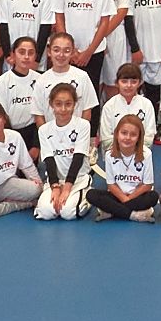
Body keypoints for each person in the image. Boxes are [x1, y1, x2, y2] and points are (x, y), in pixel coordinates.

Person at [35, 81, 93, 221]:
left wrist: (67, 189)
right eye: (58, 104)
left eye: (68, 104)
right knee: (46, 213)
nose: (63, 109)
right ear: (51, 105)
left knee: (68, 213)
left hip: (77, 179)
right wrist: (55, 187)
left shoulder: (83, 125)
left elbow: (78, 158)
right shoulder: (44, 130)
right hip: (56, 180)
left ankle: (87, 192)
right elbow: (49, 160)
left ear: (75, 104)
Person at [87, 114, 159, 222]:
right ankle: (134, 215)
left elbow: (147, 185)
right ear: (117, 134)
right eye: (124, 133)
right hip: (117, 195)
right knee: (91, 195)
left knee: (153, 197)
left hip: (137, 196)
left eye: (133, 134)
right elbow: (111, 185)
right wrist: (124, 198)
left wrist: (128, 198)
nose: (128, 138)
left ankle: (112, 211)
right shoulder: (109, 155)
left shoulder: (146, 154)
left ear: (139, 137)